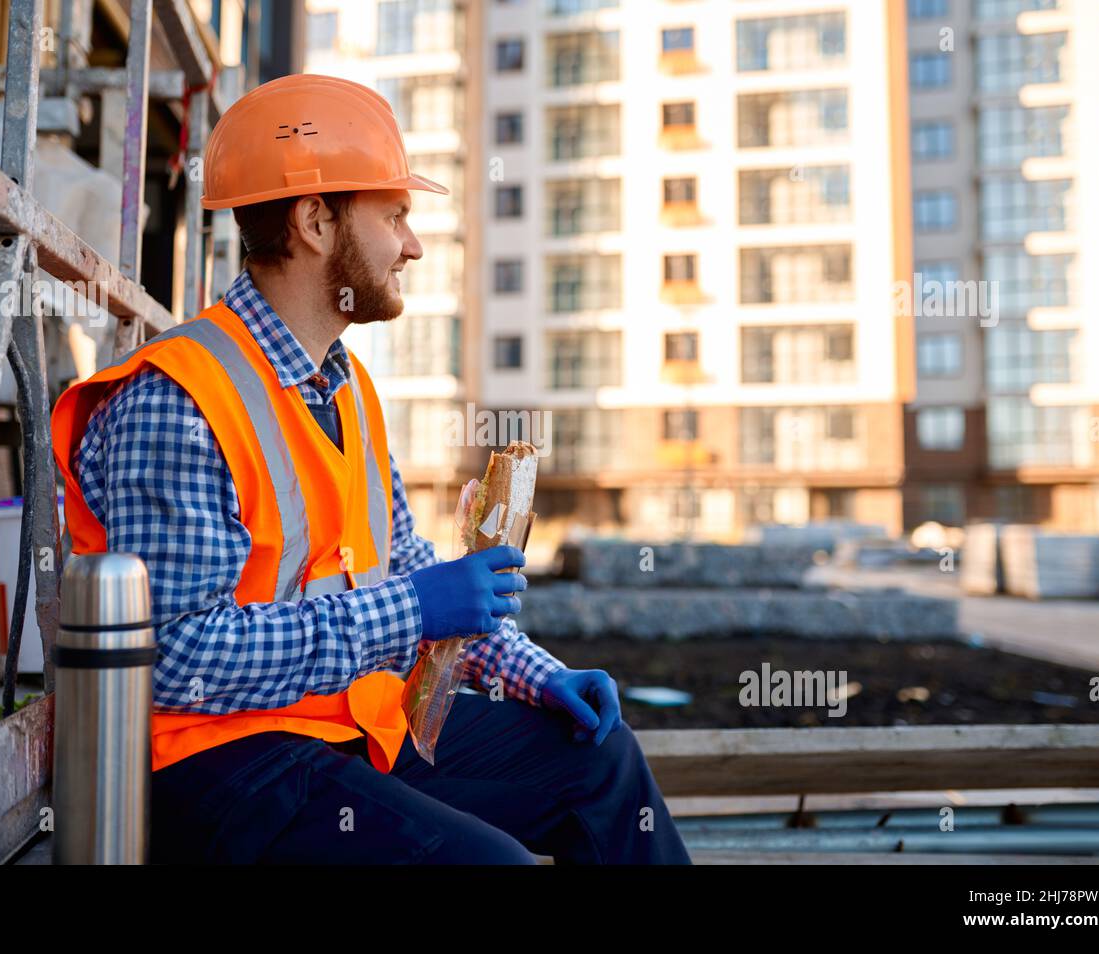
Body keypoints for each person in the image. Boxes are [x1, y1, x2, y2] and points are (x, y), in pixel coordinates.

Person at [50, 74, 691, 864]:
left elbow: (403, 566)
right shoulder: (176, 399)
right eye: (395, 217)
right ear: (317, 220)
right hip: (220, 770)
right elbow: (178, 657)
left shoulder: (345, 386)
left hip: (342, 728)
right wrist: (415, 610)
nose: (413, 246)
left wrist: (533, 671)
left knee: (600, 760)